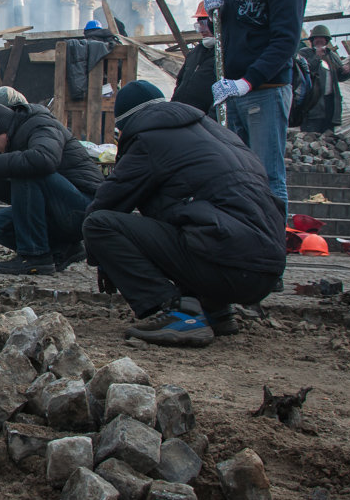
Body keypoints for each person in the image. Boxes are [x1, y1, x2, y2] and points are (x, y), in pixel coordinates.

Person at [83, 81, 286, 347]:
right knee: (192, 218)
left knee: (98, 225)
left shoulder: (149, 138)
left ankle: (181, 315)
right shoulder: (216, 134)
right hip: (266, 269)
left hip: (231, 262)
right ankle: (215, 310)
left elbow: (105, 203)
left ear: (126, 123)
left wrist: (101, 257)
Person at [204, 0, 307, 209]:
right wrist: (213, 15)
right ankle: (245, 242)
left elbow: (285, 42)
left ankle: (272, 250)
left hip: (266, 89)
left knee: (268, 175)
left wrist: (247, 81)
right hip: (233, 89)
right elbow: (227, 33)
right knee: (235, 173)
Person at [0, 100, 103, 274]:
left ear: (5, 130)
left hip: (85, 208)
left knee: (28, 169)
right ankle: (64, 249)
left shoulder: (41, 125)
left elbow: (44, 160)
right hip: (59, 210)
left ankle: (35, 255)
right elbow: (23, 200)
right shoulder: (16, 141)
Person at [298, 24, 350, 133]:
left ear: (326, 41)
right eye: (316, 39)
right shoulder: (305, 53)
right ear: (312, 40)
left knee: (328, 135)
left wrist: (346, 71)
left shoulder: (331, 56)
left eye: (322, 39)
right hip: (312, 102)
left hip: (330, 104)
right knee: (311, 134)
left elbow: (340, 76)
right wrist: (317, 57)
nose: (319, 41)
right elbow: (304, 71)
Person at [170, 2, 217, 114]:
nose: (202, 30)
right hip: (182, 113)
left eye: (205, 23)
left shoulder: (225, 54)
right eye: (199, 25)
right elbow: (180, 82)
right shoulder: (196, 52)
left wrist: (210, 119)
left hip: (203, 120)